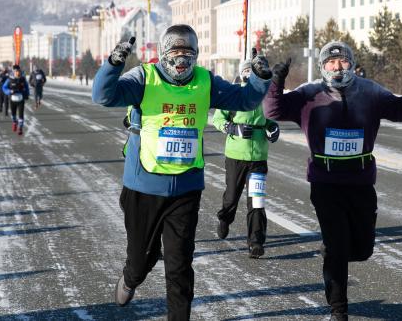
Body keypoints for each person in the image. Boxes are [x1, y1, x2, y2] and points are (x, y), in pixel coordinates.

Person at [92, 25, 272, 318]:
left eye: (188, 54)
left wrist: (260, 77)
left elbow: (245, 100)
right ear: (163, 54)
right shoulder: (144, 77)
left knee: (179, 267)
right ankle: (130, 277)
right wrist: (114, 63)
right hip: (143, 187)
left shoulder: (205, 81)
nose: (181, 61)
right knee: (139, 262)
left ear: (196, 56)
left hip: (186, 190)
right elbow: (102, 96)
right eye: (175, 53)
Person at [263, 41, 402, 320]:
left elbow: (401, 110)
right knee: (337, 246)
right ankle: (338, 308)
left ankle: (335, 250)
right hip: (325, 182)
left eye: (343, 62)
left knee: (362, 249)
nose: (337, 67)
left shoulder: (369, 91)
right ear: (322, 66)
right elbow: (273, 111)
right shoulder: (309, 93)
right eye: (331, 62)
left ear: (352, 64)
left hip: (361, 181)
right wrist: (276, 83)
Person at [212, 59, 280, 258]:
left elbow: (271, 119)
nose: (251, 76)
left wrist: (272, 128)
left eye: (255, 72)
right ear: (243, 74)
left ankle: (256, 242)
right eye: (248, 72)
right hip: (236, 155)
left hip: (258, 156)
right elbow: (217, 119)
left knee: (256, 201)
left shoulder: (265, 96)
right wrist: (233, 128)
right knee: (232, 196)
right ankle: (225, 218)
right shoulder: (234, 93)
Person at [3, 65, 30, 135]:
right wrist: (10, 91)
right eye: (15, 71)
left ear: (19, 71)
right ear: (13, 71)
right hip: (12, 99)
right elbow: (4, 87)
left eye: (18, 71)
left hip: (20, 99)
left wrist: (27, 94)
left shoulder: (22, 79)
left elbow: (27, 87)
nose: (17, 73)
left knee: (21, 114)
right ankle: (15, 122)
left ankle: (20, 128)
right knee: (13, 115)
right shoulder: (9, 79)